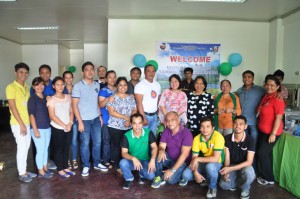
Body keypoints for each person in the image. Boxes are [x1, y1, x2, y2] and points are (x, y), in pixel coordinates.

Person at [72, 61, 108, 177]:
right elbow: (74, 106)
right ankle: (86, 165)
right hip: (84, 121)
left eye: (92, 69)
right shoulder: (77, 86)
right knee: (85, 143)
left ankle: (97, 163)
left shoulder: (97, 85)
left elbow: (96, 102)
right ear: (83, 72)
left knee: (98, 142)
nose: (90, 71)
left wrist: (100, 116)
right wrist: (80, 122)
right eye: (87, 69)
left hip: (96, 119)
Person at [6, 62, 37, 183]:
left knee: (26, 147)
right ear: (15, 73)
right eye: (21, 72)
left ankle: (24, 170)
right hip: (18, 123)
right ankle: (22, 173)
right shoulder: (11, 87)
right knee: (22, 147)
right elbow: (13, 108)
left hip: (27, 122)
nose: (24, 74)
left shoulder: (27, 87)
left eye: (26, 72)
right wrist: (22, 124)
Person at [180, 116, 224, 199]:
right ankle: (208, 178)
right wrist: (196, 172)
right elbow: (194, 158)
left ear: (213, 128)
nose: (205, 129)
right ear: (200, 128)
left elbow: (215, 158)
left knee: (210, 167)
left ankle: (212, 187)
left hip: (216, 163)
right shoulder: (197, 138)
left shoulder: (218, 137)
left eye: (208, 126)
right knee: (186, 175)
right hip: (203, 162)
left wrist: (197, 159)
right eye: (202, 126)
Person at [151, 111, 193, 188]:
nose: (170, 122)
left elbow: (184, 155)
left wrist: (172, 170)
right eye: (168, 120)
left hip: (183, 162)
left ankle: (183, 175)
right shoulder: (166, 130)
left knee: (170, 180)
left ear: (178, 120)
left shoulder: (186, 133)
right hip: (170, 159)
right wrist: (161, 150)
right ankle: (159, 177)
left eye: (172, 120)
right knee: (158, 156)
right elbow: (162, 145)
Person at [256, 74, 284, 185]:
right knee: (267, 154)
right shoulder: (266, 96)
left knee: (262, 153)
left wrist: (273, 133)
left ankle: (267, 178)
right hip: (263, 131)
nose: (269, 87)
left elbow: (278, 117)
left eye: (272, 85)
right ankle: (268, 176)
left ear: (278, 86)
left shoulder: (278, 99)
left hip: (272, 132)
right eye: (267, 84)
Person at [219, 115, 255, 199]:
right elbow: (227, 158)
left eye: (241, 124)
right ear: (232, 125)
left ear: (245, 126)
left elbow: (249, 162)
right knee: (223, 185)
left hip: (245, 166)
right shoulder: (226, 138)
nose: (238, 126)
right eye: (235, 123)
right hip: (231, 166)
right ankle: (239, 181)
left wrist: (229, 169)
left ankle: (245, 188)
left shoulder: (250, 140)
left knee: (248, 172)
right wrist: (227, 171)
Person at [107, 77, 137, 172]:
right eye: (120, 85)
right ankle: (118, 167)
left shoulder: (130, 98)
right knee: (116, 146)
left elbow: (135, 110)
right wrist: (126, 118)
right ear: (117, 86)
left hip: (128, 126)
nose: (123, 87)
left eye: (125, 85)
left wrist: (129, 120)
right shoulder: (113, 97)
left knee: (127, 147)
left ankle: (127, 165)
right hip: (115, 126)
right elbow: (111, 111)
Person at [119, 113, 157, 189]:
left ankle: (141, 174)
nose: (137, 126)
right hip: (133, 161)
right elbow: (124, 153)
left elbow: (155, 147)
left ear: (143, 123)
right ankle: (129, 178)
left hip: (145, 160)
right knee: (123, 163)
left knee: (151, 176)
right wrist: (133, 158)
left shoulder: (148, 132)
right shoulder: (126, 136)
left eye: (139, 123)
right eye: (134, 123)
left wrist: (152, 160)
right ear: (131, 124)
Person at [47, 76, 75, 178]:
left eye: (62, 84)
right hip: (57, 128)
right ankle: (60, 169)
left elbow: (71, 111)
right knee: (58, 148)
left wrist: (70, 123)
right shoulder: (51, 100)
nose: (60, 86)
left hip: (69, 126)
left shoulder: (68, 97)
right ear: (53, 86)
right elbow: (52, 116)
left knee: (67, 147)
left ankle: (65, 166)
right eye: (57, 84)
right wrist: (64, 125)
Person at [28, 77, 52, 179]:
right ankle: (41, 171)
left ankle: (45, 168)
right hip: (38, 129)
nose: (40, 87)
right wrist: (35, 129)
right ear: (33, 87)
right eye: (37, 85)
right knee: (40, 149)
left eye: (42, 84)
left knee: (46, 149)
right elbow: (31, 115)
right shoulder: (32, 99)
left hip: (47, 127)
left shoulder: (46, 97)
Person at [135, 64, 161, 137]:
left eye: (153, 71)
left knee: (153, 138)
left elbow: (158, 101)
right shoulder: (140, 85)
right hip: (145, 115)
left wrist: (158, 115)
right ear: (144, 72)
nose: (151, 73)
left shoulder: (157, 85)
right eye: (148, 71)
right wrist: (143, 117)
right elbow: (139, 103)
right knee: (144, 139)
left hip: (155, 116)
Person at [98, 70, 117, 169]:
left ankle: (113, 158)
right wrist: (107, 99)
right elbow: (100, 104)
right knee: (106, 141)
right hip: (106, 120)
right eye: (110, 77)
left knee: (115, 141)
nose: (112, 79)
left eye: (114, 77)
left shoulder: (118, 89)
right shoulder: (103, 90)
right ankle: (106, 160)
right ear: (106, 79)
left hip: (117, 121)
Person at [63, 71, 79, 170]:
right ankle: (67, 160)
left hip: (75, 118)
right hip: (64, 118)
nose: (68, 80)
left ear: (73, 78)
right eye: (66, 78)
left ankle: (74, 159)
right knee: (66, 141)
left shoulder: (76, 88)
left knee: (74, 140)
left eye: (70, 77)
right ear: (64, 79)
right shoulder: (61, 89)